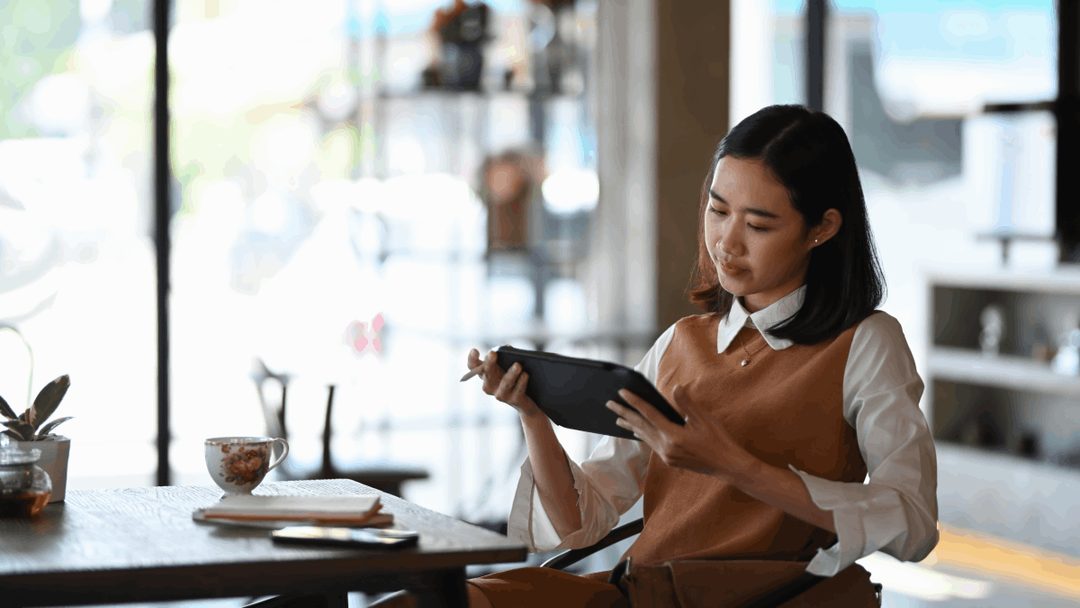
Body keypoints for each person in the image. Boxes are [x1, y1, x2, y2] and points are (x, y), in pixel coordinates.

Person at [376, 104, 939, 607]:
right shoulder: (681, 343)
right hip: (642, 591)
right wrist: (534, 415)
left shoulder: (866, 342)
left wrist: (733, 464)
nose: (727, 243)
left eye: (758, 224)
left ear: (823, 228)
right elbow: (580, 522)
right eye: (718, 212)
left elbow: (913, 525)